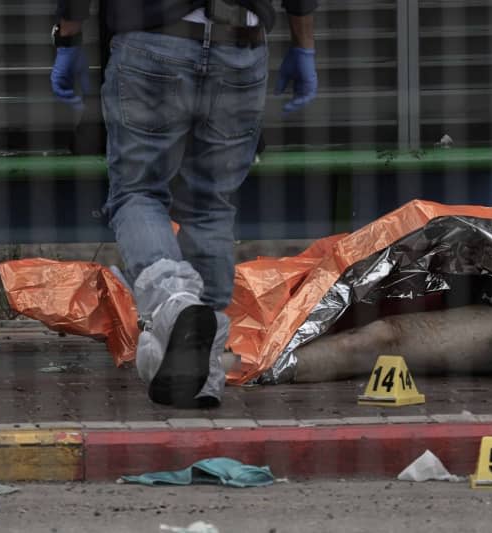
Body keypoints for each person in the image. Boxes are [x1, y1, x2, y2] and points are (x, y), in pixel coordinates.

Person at [50, 0, 319, 408]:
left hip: (153, 41)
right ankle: (204, 375)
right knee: (211, 205)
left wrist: (67, 36)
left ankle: (175, 303)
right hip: (241, 46)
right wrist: (304, 46)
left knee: (137, 192)